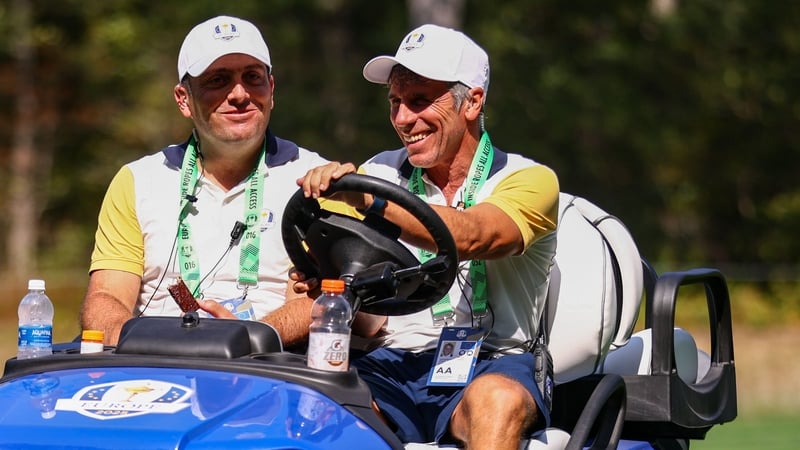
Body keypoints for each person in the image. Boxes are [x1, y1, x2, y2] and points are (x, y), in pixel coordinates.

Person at [299, 24, 559, 450]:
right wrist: (327, 280)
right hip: (391, 364)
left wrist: (370, 200)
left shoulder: (530, 180)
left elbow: (475, 235)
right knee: (313, 399)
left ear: (472, 102)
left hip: (492, 361)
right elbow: (361, 309)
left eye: (420, 101)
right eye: (395, 102)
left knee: (497, 399)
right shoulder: (376, 174)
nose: (403, 119)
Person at [80, 15, 328, 348]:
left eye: (252, 77)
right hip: (155, 362)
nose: (239, 94)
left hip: (269, 367)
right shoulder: (136, 180)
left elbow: (331, 299)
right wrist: (148, 345)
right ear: (183, 98)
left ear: (271, 89)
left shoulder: (317, 179)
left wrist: (246, 339)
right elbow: (106, 298)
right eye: (218, 80)